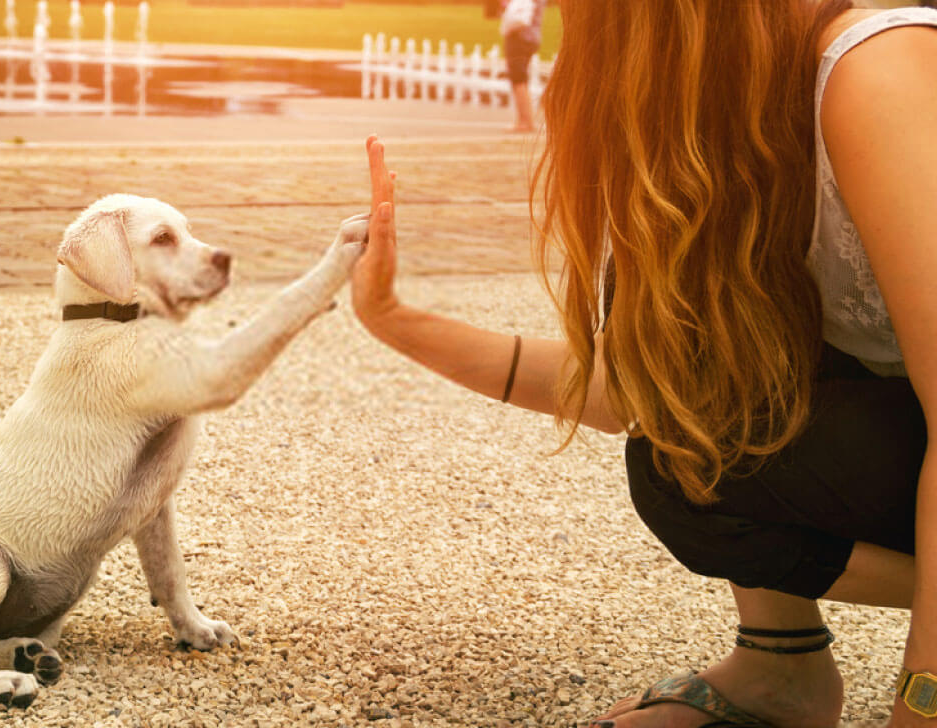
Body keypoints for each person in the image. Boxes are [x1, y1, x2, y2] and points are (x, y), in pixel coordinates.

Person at [351, 0, 937, 724]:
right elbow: (631, 398)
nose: (572, 50)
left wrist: (923, 702)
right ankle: (779, 672)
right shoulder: (717, 134)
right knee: (682, 463)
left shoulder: (873, 68)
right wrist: (394, 319)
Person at [499, 0, 546, 133]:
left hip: (520, 37)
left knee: (518, 79)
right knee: (521, 79)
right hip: (532, 38)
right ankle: (524, 120)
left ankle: (526, 121)